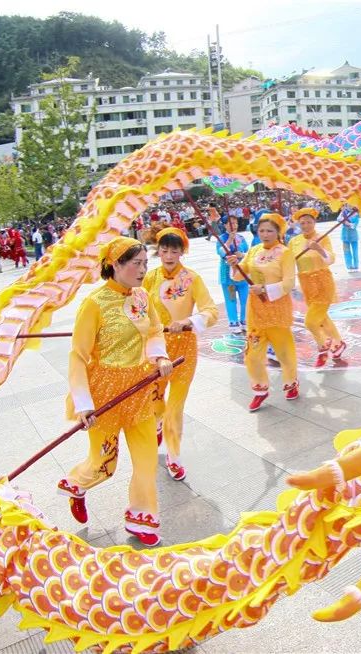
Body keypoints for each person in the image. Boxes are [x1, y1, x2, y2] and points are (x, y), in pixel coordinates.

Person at [57, 237, 173, 546]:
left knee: (147, 461)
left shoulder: (142, 297)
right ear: (115, 265)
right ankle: (76, 483)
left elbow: (155, 331)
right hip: (105, 393)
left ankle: (142, 518)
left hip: (139, 388)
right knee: (103, 465)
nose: (143, 269)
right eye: (136, 263)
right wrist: (83, 403)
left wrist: (159, 355)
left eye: (146, 263)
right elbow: (78, 356)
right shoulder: (93, 303)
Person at [143, 228, 218, 481]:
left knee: (175, 408)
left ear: (182, 251)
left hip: (184, 350)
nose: (169, 255)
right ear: (158, 250)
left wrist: (187, 320)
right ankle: (157, 424)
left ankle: (174, 456)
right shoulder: (149, 278)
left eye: (174, 250)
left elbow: (210, 311)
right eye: (164, 250)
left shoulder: (191, 279)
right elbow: (136, 306)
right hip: (155, 350)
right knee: (154, 401)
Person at [231, 214, 300, 409]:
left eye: (270, 230)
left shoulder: (285, 253)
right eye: (262, 230)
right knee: (252, 355)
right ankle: (260, 388)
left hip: (277, 308)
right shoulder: (253, 250)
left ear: (279, 232)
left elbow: (289, 283)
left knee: (284, 353)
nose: (265, 234)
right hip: (255, 309)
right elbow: (238, 276)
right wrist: (235, 265)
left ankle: (291, 382)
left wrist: (266, 290)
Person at [289, 208, 347, 367]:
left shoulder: (322, 237)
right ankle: (338, 344)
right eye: (302, 223)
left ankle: (323, 345)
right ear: (298, 224)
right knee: (322, 319)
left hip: (322, 282)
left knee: (310, 321)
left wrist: (319, 249)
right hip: (306, 285)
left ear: (314, 222)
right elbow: (288, 262)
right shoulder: (294, 241)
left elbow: (331, 259)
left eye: (309, 222)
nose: (306, 225)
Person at [217, 215, 250, 334]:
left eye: (235, 223)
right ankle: (233, 321)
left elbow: (248, 252)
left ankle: (244, 319)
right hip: (228, 276)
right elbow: (221, 252)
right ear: (225, 225)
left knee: (245, 298)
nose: (234, 226)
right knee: (231, 299)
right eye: (231, 223)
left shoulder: (241, 237)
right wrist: (230, 240)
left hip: (242, 274)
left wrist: (241, 255)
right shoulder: (221, 238)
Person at [338, 205, 361, 271]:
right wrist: (342, 212)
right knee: (346, 251)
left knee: (355, 251)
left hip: (353, 235)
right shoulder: (344, 212)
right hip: (345, 235)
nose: (349, 206)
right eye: (347, 205)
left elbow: (354, 225)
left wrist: (348, 223)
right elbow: (338, 219)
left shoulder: (356, 214)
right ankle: (349, 266)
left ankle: (356, 266)